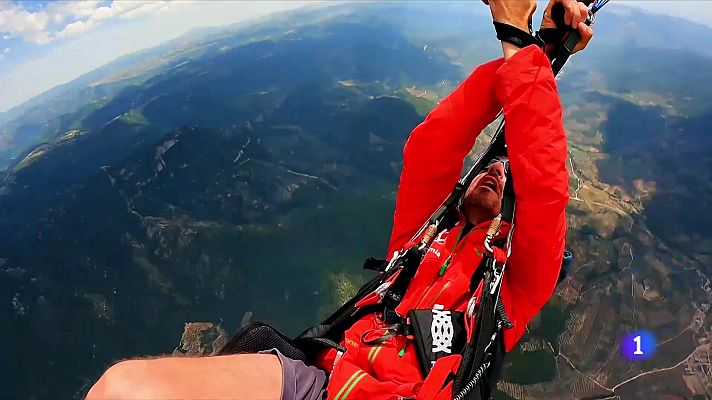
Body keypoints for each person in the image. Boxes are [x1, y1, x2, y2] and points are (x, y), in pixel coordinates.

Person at [86, 0, 593, 399]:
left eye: (508, 177)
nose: (498, 170)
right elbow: (431, 147)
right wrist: (540, 50)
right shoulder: (420, 241)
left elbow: (543, 183)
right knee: (124, 390)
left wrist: (515, 38)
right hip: (323, 380)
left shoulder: (519, 284)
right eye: (491, 166)